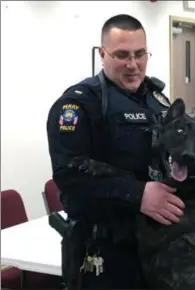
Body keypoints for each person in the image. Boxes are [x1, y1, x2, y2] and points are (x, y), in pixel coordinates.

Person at [46, 14, 185, 289]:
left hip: (156, 246)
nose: (133, 65)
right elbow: (69, 174)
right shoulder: (79, 105)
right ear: (102, 54)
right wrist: (138, 194)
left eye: (140, 54)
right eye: (122, 55)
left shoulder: (157, 99)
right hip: (105, 252)